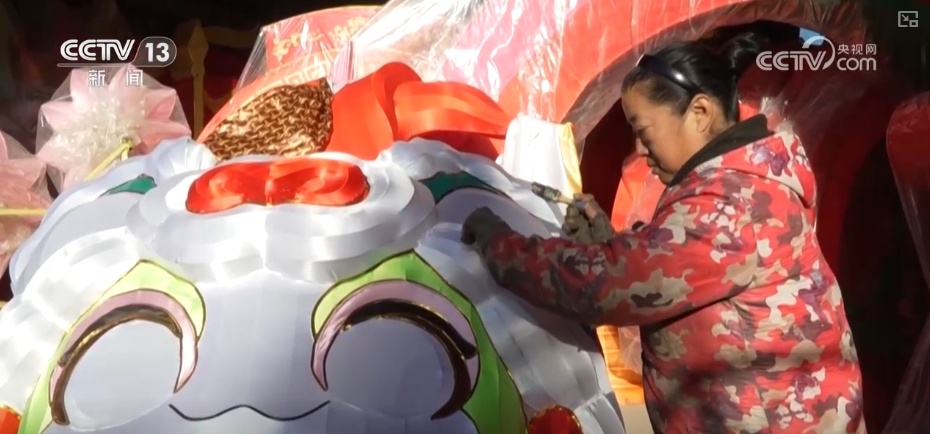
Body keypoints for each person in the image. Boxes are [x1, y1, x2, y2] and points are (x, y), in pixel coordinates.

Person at [460, 33, 866, 434]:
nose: (639, 149)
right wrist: (606, 244)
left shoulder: (729, 203)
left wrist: (498, 242)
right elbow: (667, 269)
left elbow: (605, 286)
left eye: (643, 129)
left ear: (700, 113)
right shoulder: (744, 183)